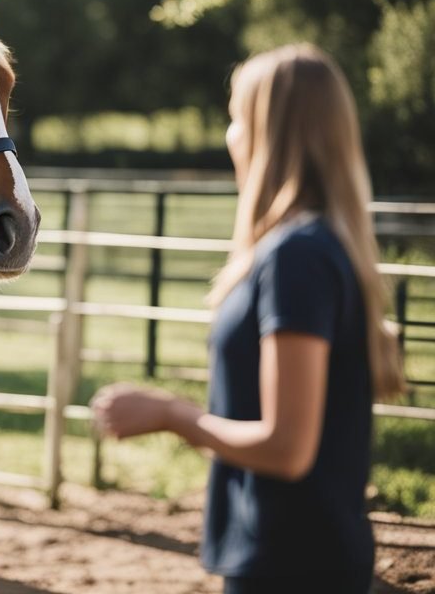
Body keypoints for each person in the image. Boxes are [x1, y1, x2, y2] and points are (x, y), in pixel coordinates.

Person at [90, 44, 407, 594]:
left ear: (267, 133)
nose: (230, 136)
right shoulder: (310, 249)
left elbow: (287, 447)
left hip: (292, 566)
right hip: (293, 557)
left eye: (236, 119)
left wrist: (169, 413)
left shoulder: (298, 256)